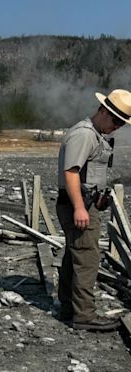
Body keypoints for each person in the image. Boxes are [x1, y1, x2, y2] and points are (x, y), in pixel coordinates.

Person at [56, 89, 131, 331]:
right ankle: (85, 315)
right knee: (87, 258)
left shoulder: (93, 134)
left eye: (122, 123)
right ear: (103, 111)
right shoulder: (85, 135)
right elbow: (71, 172)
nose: (117, 126)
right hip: (79, 206)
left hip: (84, 204)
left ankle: (69, 307)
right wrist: (79, 207)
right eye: (116, 120)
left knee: (75, 255)